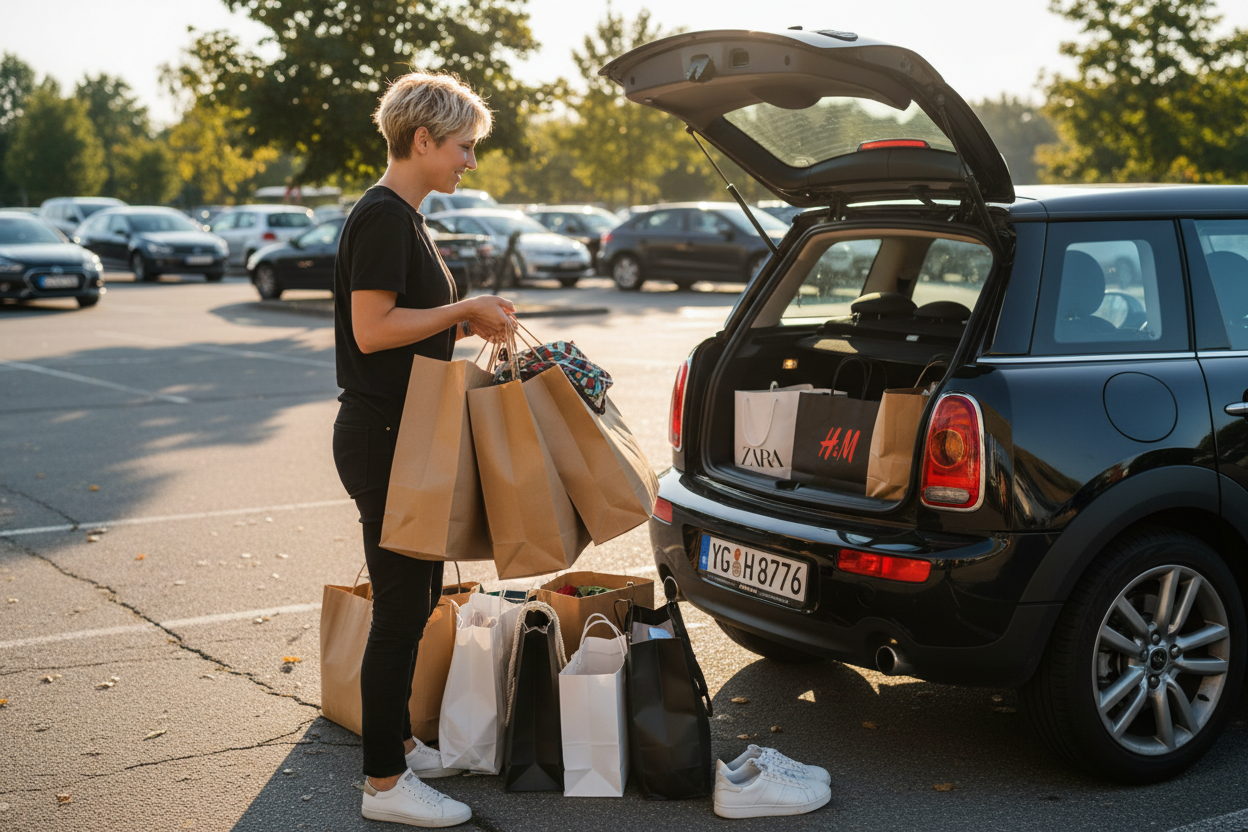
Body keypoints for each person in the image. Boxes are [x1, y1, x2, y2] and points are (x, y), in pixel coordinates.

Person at [331, 71, 514, 827]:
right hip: (382, 438)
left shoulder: (401, 217)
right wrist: (463, 306)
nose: (470, 161)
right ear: (423, 140)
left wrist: (458, 322)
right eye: (464, 147)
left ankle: (399, 743)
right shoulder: (383, 217)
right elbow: (372, 329)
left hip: (400, 436)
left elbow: (403, 323)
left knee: (419, 596)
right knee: (403, 609)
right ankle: (383, 785)